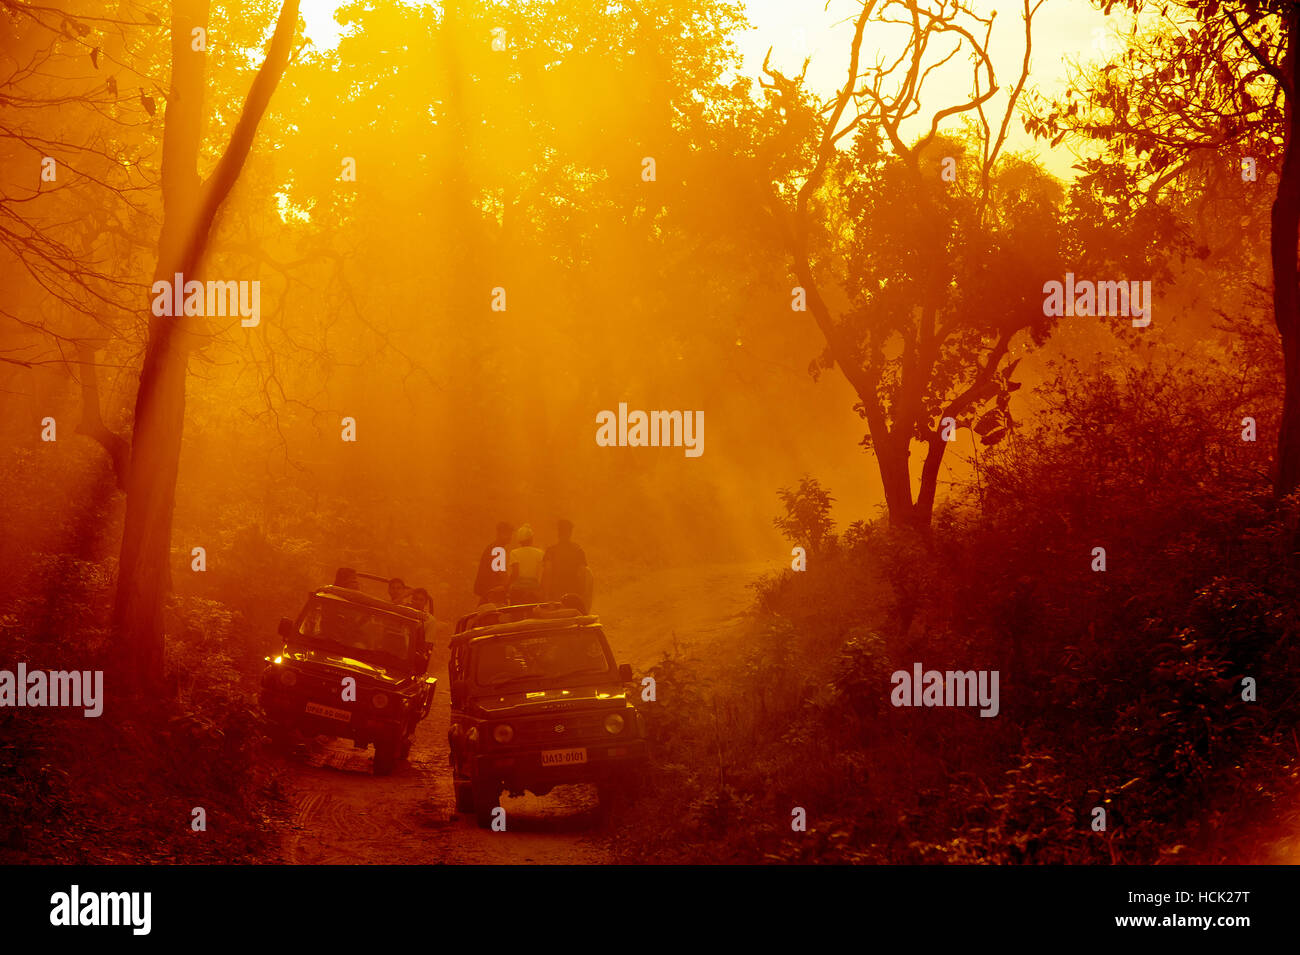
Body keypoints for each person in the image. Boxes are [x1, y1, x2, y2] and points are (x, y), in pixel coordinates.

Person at [542, 519, 588, 602]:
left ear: (558, 533)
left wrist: (546, 594)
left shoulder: (551, 551)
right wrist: (581, 594)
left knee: (556, 614)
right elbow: (582, 574)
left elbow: (547, 572)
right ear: (570, 533)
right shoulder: (578, 551)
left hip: (555, 594)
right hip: (573, 594)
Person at [474, 522, 513, 605]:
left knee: (483, 613)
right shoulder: (498, 549)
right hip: (493, 591)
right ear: (500, 533)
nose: (510, 537)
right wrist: (508, 586)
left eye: (511, 534)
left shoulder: (493, 547)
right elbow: (500, 572)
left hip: (488, 590)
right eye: (508, 534)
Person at [507, 524, 545, 603]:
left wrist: (507, 586)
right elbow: (542, 572)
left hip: (518, 589)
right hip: (534, 588)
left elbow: (515, 573)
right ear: (531, 539)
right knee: (533, 611)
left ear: (519, 540)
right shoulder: (540, 553)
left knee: (516, 612)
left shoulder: (514, 553)